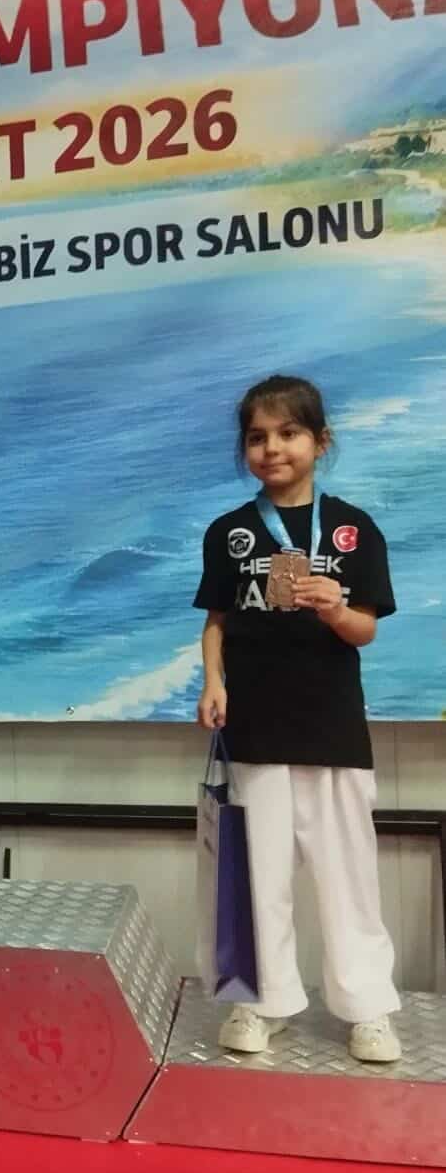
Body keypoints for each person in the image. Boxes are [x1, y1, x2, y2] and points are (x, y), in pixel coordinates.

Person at [194, 374, 401, 1064]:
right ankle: (261, 1002)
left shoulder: (353, 529)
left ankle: (367, 1009)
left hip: (332, 728)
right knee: (260, 876)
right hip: (255, 729)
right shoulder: (229, 532)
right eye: (257, 437)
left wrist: (335, 608)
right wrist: (214, 682)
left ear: (320, 441)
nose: (272, 448)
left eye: (288, 433)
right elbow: (217, 623)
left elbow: (366, 629)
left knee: (348, 877)